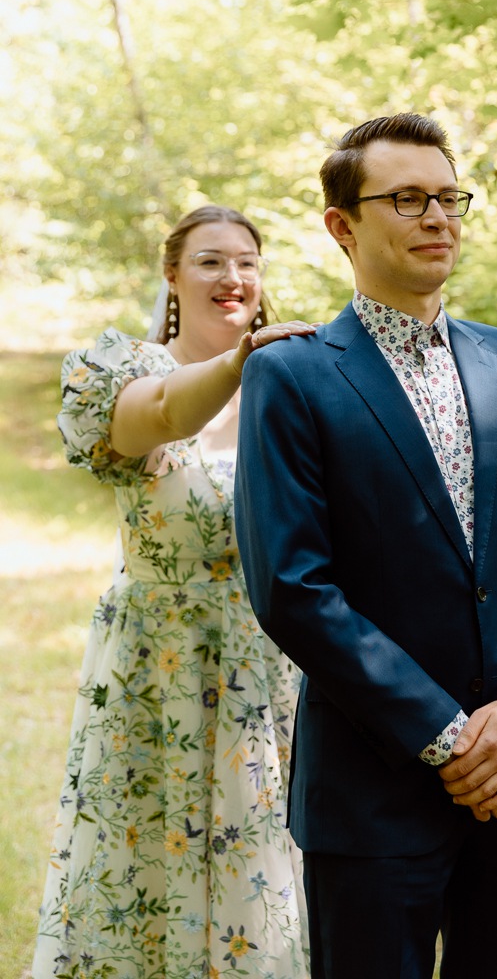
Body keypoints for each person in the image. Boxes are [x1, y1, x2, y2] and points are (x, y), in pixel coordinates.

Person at [233, 114, 497, 979]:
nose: (437, 216)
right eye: (405, 198)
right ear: (342, 224)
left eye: (448, 197)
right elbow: (293, 587)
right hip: (373, 795)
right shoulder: (289, 375)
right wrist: (449, 739)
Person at [33, 205, 315, 979]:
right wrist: (238, 363)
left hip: (270, 664)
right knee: (147, 860)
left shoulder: (293, 383)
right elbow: (156, 416)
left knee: (265, 860)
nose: (233, 278)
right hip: (157, 666)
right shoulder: (123, 371)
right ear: (171, 274)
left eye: (247, 262)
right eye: (210, 261)